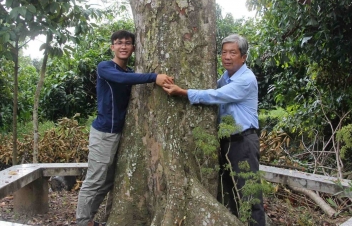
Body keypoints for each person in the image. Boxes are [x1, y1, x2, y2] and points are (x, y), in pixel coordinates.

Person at [162, 34, 265, 226]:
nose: (226, 56)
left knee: (249, 193)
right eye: (224, 52)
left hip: (243, 141)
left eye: (232, 53)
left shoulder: (245, 79)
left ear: (243, 57)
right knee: (229, 192)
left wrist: (183, 92)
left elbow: (216, 95)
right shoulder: (226, 77)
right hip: (227, 142)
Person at [76, 30, 173, 226]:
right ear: (112, 47)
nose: (123, 46)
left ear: (134, 48)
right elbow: (122, 79)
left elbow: (128, 77)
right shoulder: (105, 67)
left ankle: (95, 219)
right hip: (104, 133)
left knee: (110, 180)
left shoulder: (130, 72)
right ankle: (83, 221)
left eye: (128, 43)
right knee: (95, 180)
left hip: (120, 134)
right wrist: (154, 77)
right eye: (119, 43)